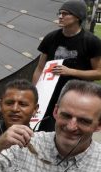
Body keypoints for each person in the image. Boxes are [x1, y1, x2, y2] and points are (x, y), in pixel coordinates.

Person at [31, 0, 101, 132]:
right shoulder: (51, 38)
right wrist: (34, 93)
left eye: (65, 14)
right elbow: (40, 68)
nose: (60, 16)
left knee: (70, 132)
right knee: (42, 130)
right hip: (49, 95)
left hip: (77, 97)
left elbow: (99, 72)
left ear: (77, 17)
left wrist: (71, 72)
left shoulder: (91, 41)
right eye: (60, 13)